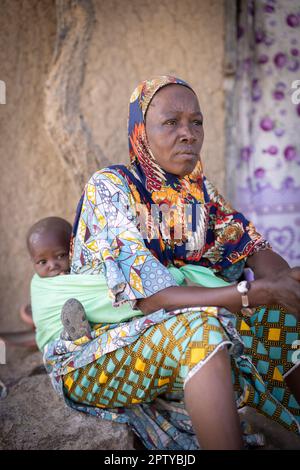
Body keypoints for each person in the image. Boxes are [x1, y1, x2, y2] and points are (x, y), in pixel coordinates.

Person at [42, 76, 300, 450]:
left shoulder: (200, 194)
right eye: (171, 122)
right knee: (201, 328)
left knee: (282, 316)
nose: (188, 134)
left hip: (170, 334)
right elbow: (151, 298)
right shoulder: (111, 188)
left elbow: (252, 247)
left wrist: (285, 285)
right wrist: (250, 292)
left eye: (196, 122)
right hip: (98, 351)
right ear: (141, 131)